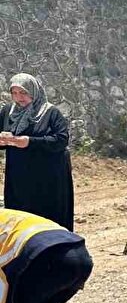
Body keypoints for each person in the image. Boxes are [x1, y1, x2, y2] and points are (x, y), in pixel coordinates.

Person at [1, 74, 75, 230]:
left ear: (34, 91)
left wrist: (30, 141)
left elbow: (61, 139)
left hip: (47, 178)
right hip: (19, 177)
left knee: (47, 221)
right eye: (14, 93)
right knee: (20, 219)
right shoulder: (8, 112)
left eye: (23, 92)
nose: (19, 97)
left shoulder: (50, 112)